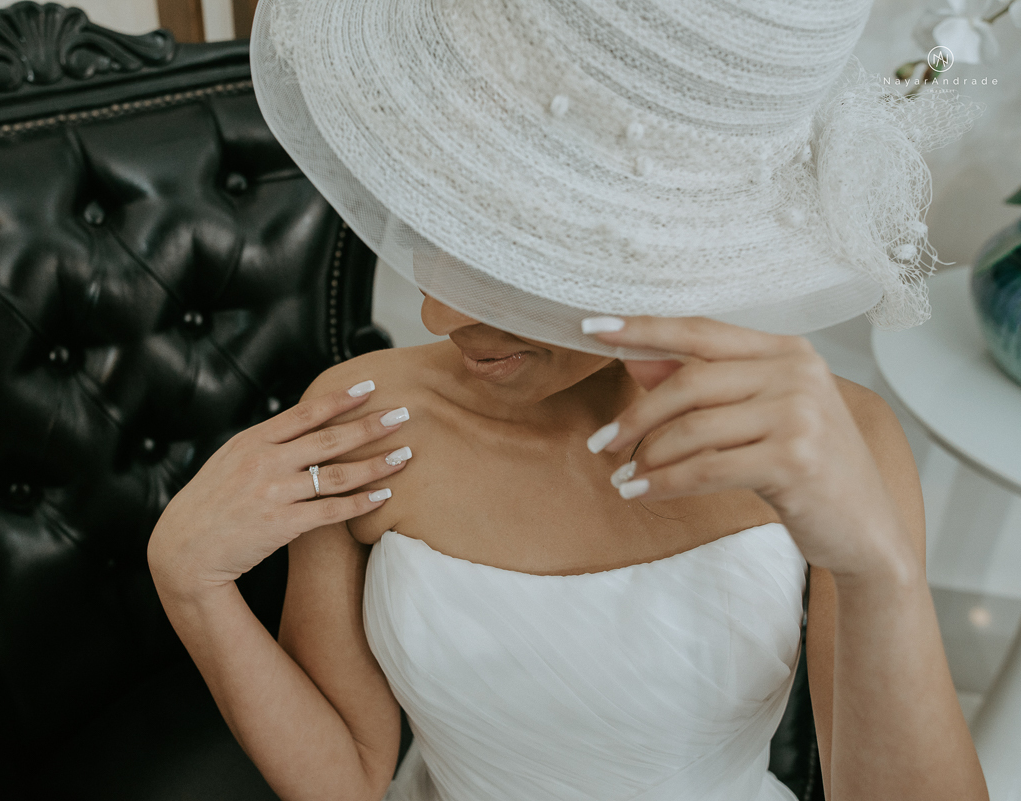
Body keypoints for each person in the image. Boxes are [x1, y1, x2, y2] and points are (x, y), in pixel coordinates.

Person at [147, 1, 989, 799]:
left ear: (673, 238)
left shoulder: (842, 446)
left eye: (517, 256)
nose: (438, 312)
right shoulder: (364, 417)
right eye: (441, 219)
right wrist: (190, 580)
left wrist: (876, 569)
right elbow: (350, 778)